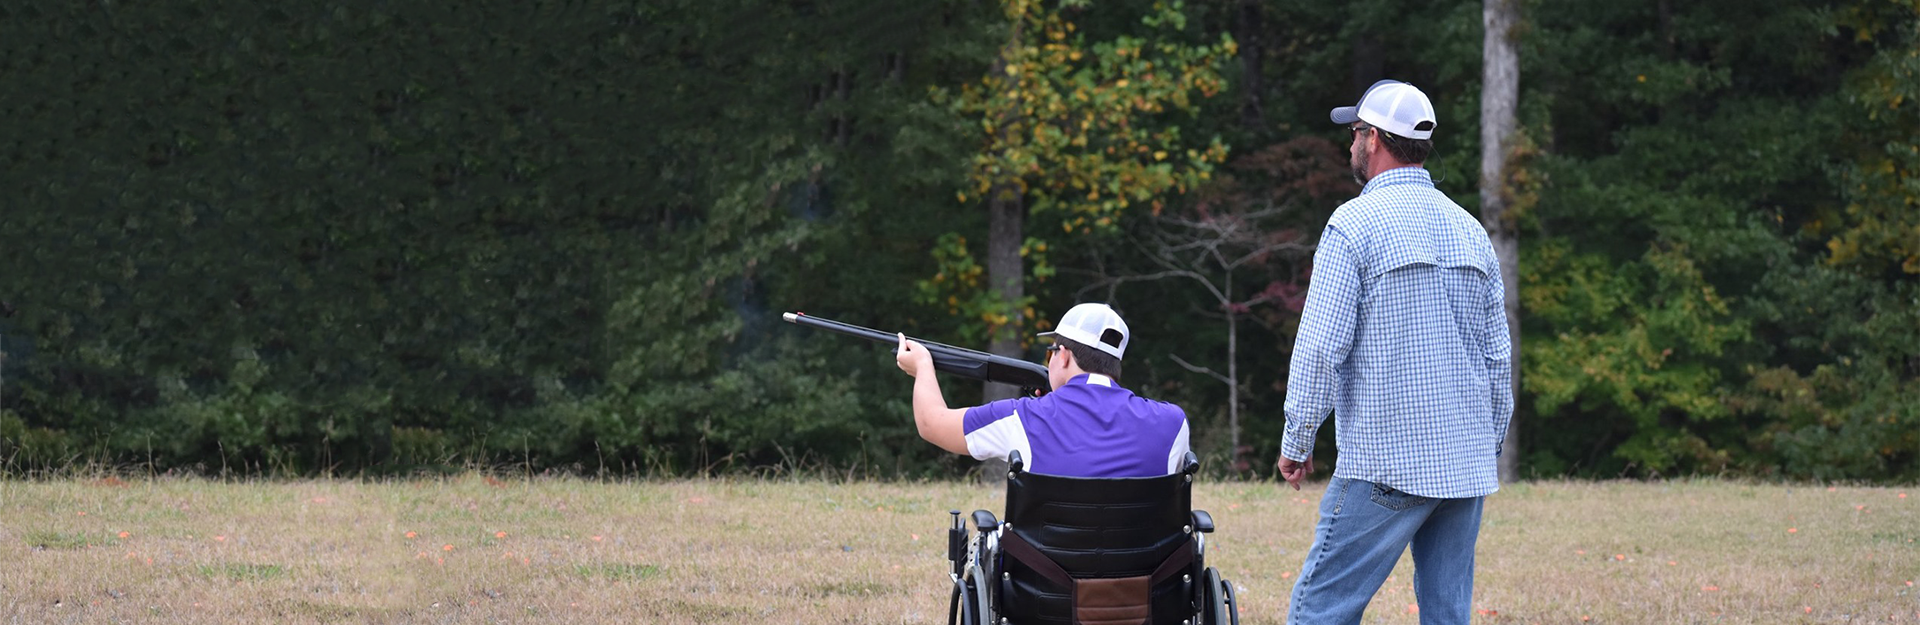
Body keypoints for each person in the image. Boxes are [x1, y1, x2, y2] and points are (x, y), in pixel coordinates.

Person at [1276, 79, 1514, 624]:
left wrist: (1297, 438)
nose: (1350, 144)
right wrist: (1486, 442)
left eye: (1355, 132)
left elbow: (1319, 347)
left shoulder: (1353, 225)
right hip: (1464, 465)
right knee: (1447, 615)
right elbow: (1498, 358)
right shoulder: (1470, 230)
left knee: (1321, 609)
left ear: (1376, 139)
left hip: (1388, 461)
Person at [894, 302, 1191, 478]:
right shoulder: (1173, 422)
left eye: (1050, 353)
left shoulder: (1021, 418)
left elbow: (931, 423)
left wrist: (922, 367)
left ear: (1062, 355)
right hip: (1144, 577)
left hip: (1042, 579)